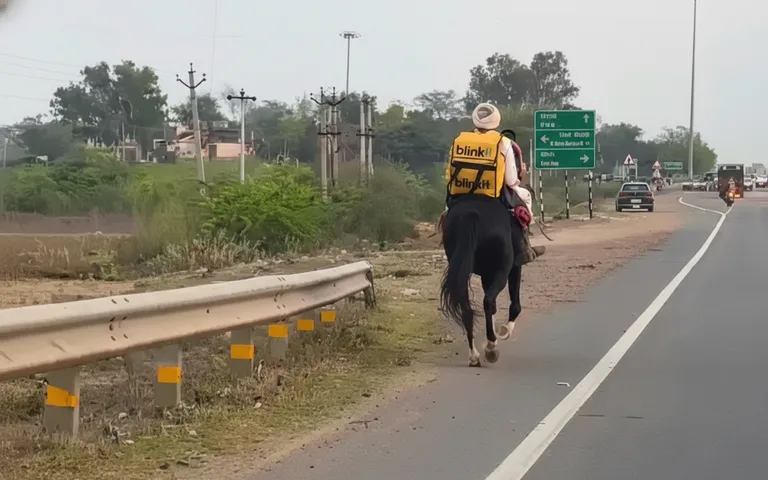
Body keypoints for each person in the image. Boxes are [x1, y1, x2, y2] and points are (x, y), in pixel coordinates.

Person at [438, 103, 545, 266]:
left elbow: (450, 173)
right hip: (492, 193)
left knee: (447, 213)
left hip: (461, 192)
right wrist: (520, 177)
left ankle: (447, 244)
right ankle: (525, 246)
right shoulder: (503, 142)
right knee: (526, 196)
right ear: (496, 121)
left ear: (475, 120)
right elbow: (510, 180)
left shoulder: (460, 140)